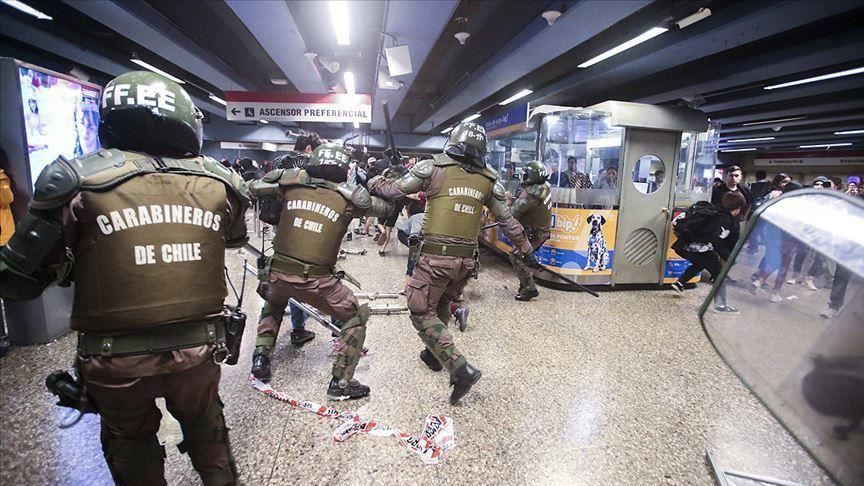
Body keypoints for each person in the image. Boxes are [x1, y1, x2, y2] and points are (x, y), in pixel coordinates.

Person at [0, 71, 248, 484]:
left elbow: (17, 279)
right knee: (208, 428)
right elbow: (235, 238)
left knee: (130, 443)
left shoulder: (74, 180)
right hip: (199, 349)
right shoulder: (222, 182)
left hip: (114, 358)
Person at [368, 121, 538, 404]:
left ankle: (460, 369)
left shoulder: (433, 167)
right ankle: (434, 355)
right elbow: (508, 221)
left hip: (436, 258)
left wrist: (374, 180)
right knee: (443, 302)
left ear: (454, 141)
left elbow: (395, 191)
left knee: (420, 310)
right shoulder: (489, 179)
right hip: (466, 263)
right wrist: (527, 250)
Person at [248, 143, 393, 399]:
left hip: (277, 273)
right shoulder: (349, 199)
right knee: (355, 316)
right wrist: (378, 182)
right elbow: (386, 208)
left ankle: (261, 358)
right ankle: (341, 383)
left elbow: (252, 188)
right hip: (317, 281)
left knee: (273, 302)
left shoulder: (290, 184)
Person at [257, 132, 324, 347]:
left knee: (280, 275)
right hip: (303, 226)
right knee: (300, 276)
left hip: (279, 226)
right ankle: (298, 328)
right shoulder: (309, 165)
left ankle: (264, 344)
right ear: (309, 148)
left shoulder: (278, 162)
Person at [670, 191, 747, 314]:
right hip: (701, 249)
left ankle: (680, 283)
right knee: (719, 274)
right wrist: (729, 258)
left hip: (687, 246)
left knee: (700, 264)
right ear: (738, 208)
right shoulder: (725, 220)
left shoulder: (716, 213)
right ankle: (720, 306)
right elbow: (717, 241)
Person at [509, 161, 552, 301]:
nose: (523, 178)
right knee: (522, 257)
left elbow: (512, 214)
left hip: (535, 233)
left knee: (517, 256)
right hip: (540, 231)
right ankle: (525, 283)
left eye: (525, 175)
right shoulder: (544, 186)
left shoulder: (530, 194)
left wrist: (508, 201)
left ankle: (529, 288)